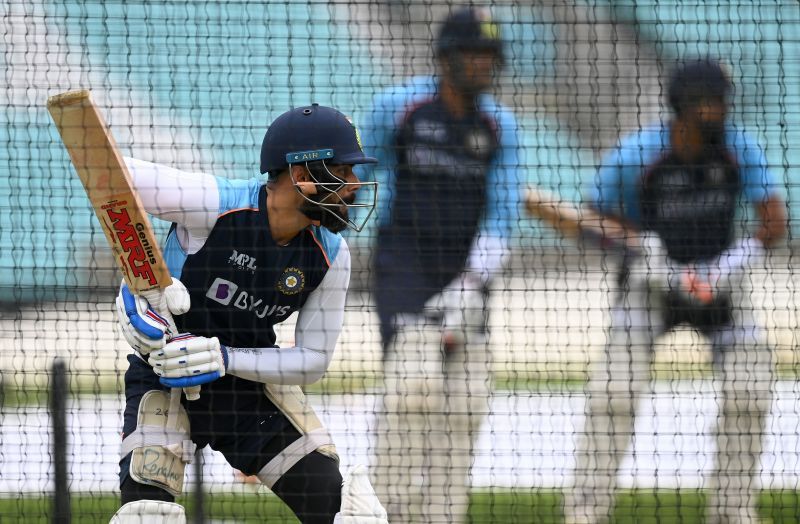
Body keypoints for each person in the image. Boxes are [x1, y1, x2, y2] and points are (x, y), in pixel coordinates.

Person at [108, 104, 389, 524]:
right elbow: (108, 174)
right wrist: (135, 296)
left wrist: (225, 358)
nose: (353, 186)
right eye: (342, 172)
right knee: (146, 517)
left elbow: (313, 360)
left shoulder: (332, 256)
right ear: (301, 176)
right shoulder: (215, 203)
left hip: (248, 390)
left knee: (353, 516)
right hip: (165, 377)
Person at [563, 58, 787, 524]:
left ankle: (732, 511)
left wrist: (726, 267)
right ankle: (585, 511)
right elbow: (591, 219)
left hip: (720, 290)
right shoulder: (637, 154)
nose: (720, 111)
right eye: (710, 103)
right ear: (683, 106)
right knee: (613, 394)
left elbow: (774, 223)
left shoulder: (740, 149)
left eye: (723, 102)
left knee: (752, 386)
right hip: (649, 289)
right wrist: (644, 251)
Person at [363, 7, 522, 523]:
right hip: (403, 265)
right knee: (412, 390)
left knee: (467, 403)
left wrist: (471, 283)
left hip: (467, 274)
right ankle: (382, 513)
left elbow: (502, 214)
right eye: (474, 55)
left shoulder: (501, 127)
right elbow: (360, 176)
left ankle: (442, 516)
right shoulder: (399, 108)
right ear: (446, 58)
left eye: (489, 57)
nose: (483, 65)